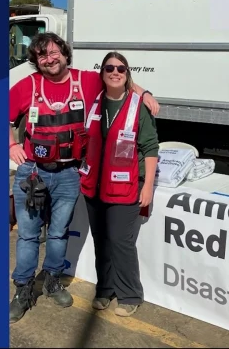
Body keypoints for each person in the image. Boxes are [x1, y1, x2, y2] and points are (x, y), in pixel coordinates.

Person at [8, 33, 159, 323]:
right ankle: (22, 291)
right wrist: (12, 145)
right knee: (27, 236)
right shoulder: (28, 85)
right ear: (35, 61)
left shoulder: (86, 81)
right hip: (34, 173)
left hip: (68, 173)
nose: (49, 59)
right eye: (42, 56)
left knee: (58, 233)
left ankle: (52, 280)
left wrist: (147, 93)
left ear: (65, 54)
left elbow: (118, 78)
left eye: (54, 53)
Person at [79, 51, 159, 318]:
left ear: (127, 74)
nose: (115, 72)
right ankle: (105, 289)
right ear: (102, 72)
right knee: (101, 240)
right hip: (94, 186)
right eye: (109, 68)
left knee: (120, 241)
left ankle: (130, 294)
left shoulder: (138, 105)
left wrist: (147, 185)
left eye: (121, 69)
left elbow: (150, 147)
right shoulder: (93, 99)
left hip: (125, 188)